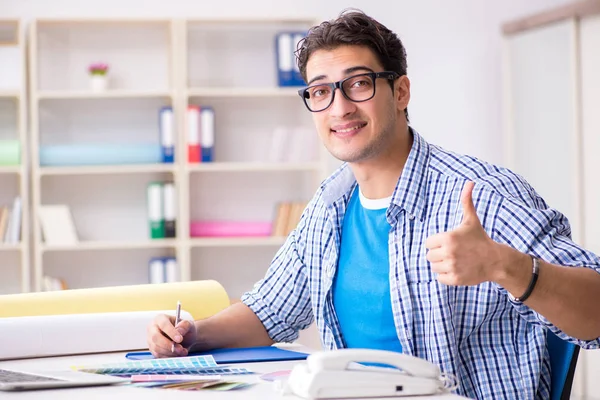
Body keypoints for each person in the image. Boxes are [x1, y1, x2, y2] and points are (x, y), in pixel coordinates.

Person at [147, 9, 600, 399]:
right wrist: (193, 334)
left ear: (400, 92)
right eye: (321, 92)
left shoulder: (481, 197)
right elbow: (270, 310)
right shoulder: (330, 205)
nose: (339, 108)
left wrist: (507, 266)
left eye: (358, 84)